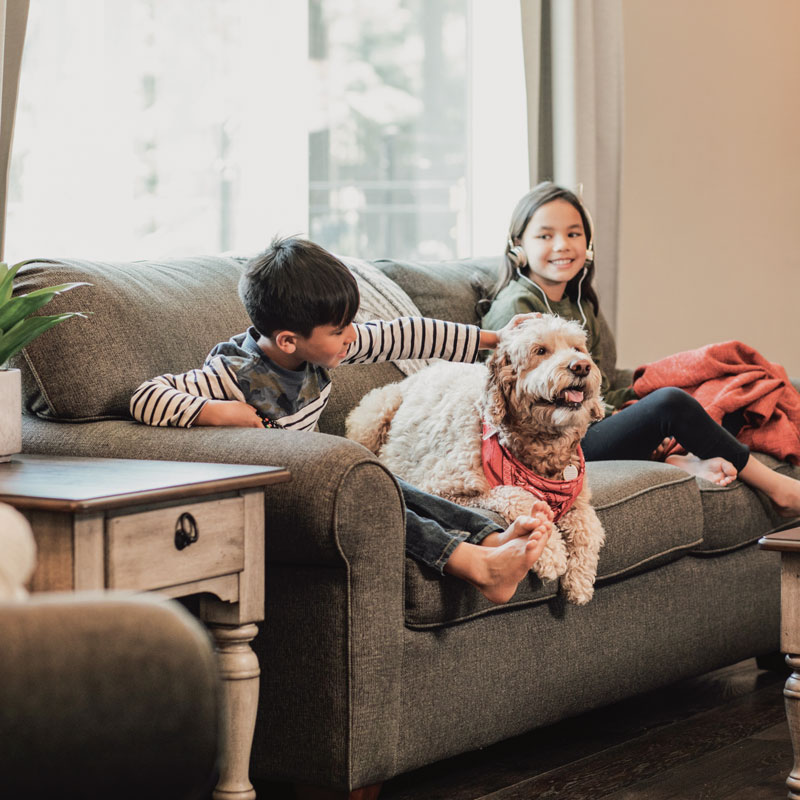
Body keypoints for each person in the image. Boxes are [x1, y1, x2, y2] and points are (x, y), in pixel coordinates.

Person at [130, 235, 552, 604]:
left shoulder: (324, 346)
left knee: (389, 483)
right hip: (273, 501)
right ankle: (474, 566)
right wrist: (216, 411)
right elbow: (142, 397)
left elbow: (403, 334)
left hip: (312, 481)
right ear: (288, 341)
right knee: (378, 502)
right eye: (339, 329)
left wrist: (495, 339)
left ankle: (488, 538)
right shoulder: (230, 375)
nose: (351, 335)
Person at [479, 181, 800, 517]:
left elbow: (597, 388)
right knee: (670, 403)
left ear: (588, 243)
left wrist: (633, 410)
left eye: (573, 234)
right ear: (518, 246)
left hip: (588, 419)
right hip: (551, 439)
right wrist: (649, 413)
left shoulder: (581, 302)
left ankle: (677, 457)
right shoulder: (515, 309)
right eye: (545, 236)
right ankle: (779, 490)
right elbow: (501, 401)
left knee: (721, 384)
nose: (562, 245)